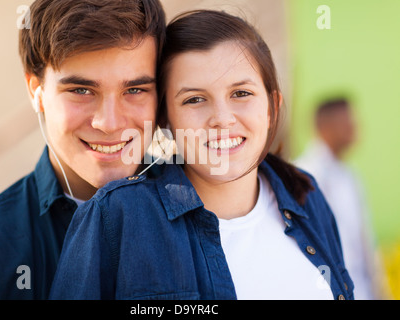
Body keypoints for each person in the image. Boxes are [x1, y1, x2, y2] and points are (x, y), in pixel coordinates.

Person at [50, 10, 354, 300]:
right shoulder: (116, 216)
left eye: (241, 93)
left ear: (272, 105)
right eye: (194, 99)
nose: (222, 119)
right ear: (165, 118)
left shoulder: (307, 195)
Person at [0, 0, 166, 299]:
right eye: (81, 90)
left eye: (134, 90)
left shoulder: (208, 208)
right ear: (34, 91)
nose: (109, 123)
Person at [295, 98, 381, 299]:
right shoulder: (305, 176)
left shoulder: (349, 175)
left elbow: (363, 243)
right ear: (325, 127)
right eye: (347, 122)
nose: (355, 128)